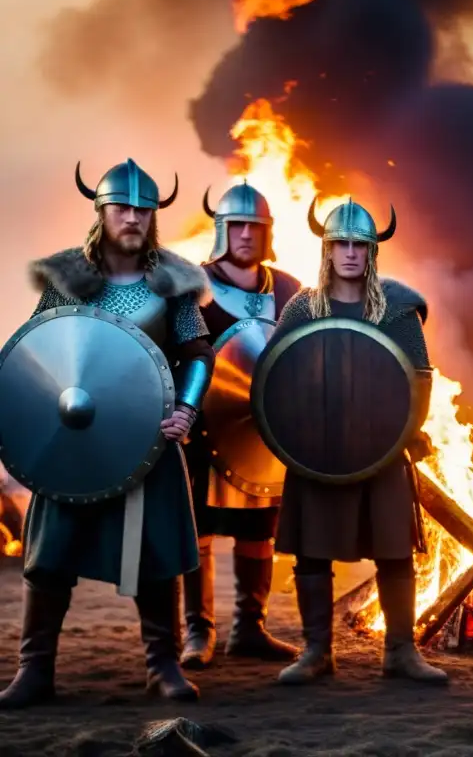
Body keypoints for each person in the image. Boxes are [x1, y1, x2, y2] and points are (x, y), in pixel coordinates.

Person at [0, 159, 213, 708]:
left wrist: (185, 411)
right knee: (49, 556)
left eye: (144, 208)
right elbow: (35, 353)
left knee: (156, 555)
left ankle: (161, 666)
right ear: (101, 211)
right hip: (70, 441)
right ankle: (34, 669)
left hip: (148, 441)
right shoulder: (67, 279)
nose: (133, 216)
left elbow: (197, 354)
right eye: (122, 206)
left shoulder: (174, 283)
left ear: (153, 216)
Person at [269, 197, 447, 685]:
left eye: (359, 245)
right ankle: (316, 651)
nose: (350, 252)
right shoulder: (303, 307)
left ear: (373, 252)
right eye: (340, 244)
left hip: (382, 448)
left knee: (393, 551)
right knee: (312, 552)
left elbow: (419, 380)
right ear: (326, 250)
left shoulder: (397, 309)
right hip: (317, 450)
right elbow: (275, 377)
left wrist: (399, 435)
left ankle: (401, 651)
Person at [179, 182, 302, 669]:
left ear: (267, 233)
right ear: (221, 230)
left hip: (262, 437)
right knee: (198, 533)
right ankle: (198, 632)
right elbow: (176, 353)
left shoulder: (291, 290)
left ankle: (249, 629)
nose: (246, 234)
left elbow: (302, 358)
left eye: (256, 226)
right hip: (200, 431)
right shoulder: (193, 288)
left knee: (259, 532)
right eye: (237, 225)